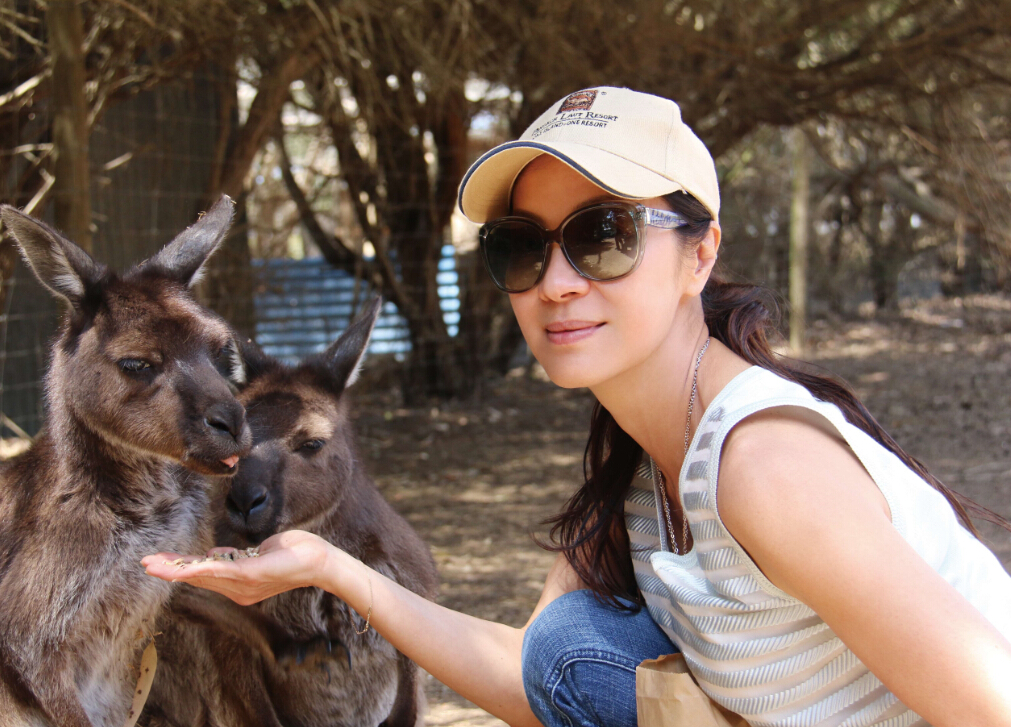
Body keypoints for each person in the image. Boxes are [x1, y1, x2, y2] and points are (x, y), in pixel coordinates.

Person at [143, 87, 1011, 727]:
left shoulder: (764, 464)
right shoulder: (637, 463)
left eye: (603, 235)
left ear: (698, 253)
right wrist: (329, 569)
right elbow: (538, 680)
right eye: (521, 248)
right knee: (569, 641)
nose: (556, 283)